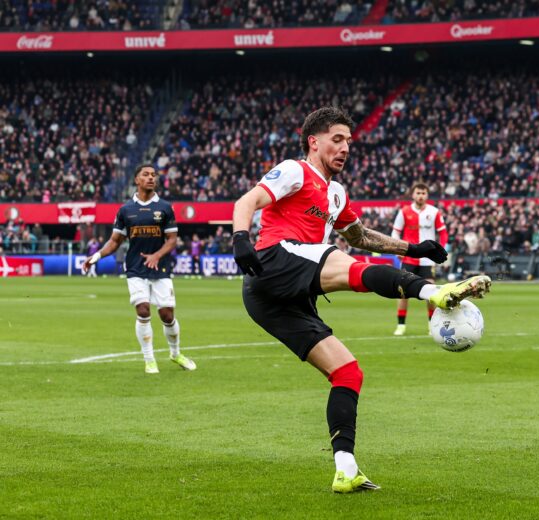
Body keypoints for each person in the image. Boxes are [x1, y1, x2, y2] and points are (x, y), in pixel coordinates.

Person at [232, 107, 491, 493]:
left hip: (277, 299)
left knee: (347, 373)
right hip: (274, 260)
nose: (345, 148)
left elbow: (362, 236)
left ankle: (345, 470)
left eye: (349, 142)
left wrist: (413, 248)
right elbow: (246, 202)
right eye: (336, 139)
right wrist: (240, 237)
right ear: (313, 142)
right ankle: (435, 292)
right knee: (350, 267)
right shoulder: (295, 170)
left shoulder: (336, 193)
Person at [82, 164, 197, 374]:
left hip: (160, 268)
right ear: (137, 180)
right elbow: (115, 241)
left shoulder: (165, 207)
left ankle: (175, 353)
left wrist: (156, 255)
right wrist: (96, 256)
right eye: (146, 174)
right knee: (143, 310)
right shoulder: (125, 210)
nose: (151, 178)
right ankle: (149, 360)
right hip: (135, 267)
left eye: (153, 175)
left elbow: (172, 240)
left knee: (167, 315)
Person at [391, 182, 448, 336]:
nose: (420, 196)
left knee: (431, 293)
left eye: (423, 193)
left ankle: (432, 325)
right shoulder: (404, 212)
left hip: (427, 260)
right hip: (409, 258)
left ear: (427, 195)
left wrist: (440, 249)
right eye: (418, 193)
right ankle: (401, 325)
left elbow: (443, 233)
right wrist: (397, 248)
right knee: (403, 292)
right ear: (413, 194)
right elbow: (395, 232)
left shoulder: (434, 212)